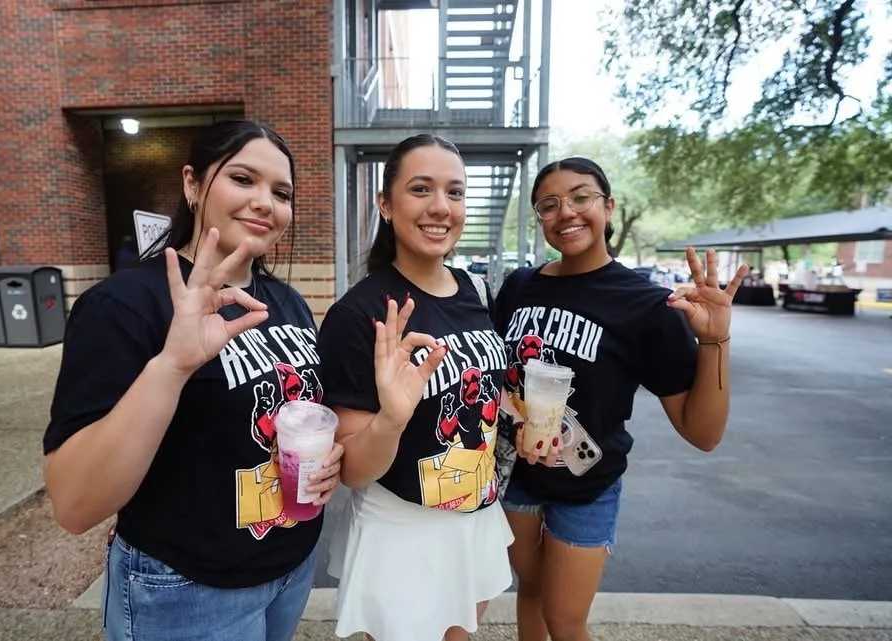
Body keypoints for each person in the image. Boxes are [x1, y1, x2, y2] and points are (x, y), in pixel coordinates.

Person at [42, 120, 344, 641]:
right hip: (186, 589)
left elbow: (291, 415)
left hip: (289, 566)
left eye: (282, 192)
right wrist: (173, 364)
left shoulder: (288, 302)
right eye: (243, 179)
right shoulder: (125, 305)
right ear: (192, 184)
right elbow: (75, 503)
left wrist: (327, 458)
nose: (265, 202)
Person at [494, 156, 748, 641]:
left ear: (608, 207)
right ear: (540, 219)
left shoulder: (646, 305)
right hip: (519, 478)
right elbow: (501, 381)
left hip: (588, 486)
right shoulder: (520, 286)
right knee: (530, 590)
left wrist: (715, 340)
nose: (566, 212)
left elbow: (703, 433)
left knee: (565, 620)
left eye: (581, 197)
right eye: (549, 204)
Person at [316, 134, 518, 641]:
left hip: (477, 513)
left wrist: (523, 415)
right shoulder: (358, 314)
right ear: (385, 203)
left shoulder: (476, 289)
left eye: (455, 192)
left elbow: (479, 395)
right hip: (405, 530)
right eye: (421, 189)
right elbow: (355, 472)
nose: (440, 207)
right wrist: (391, 417)